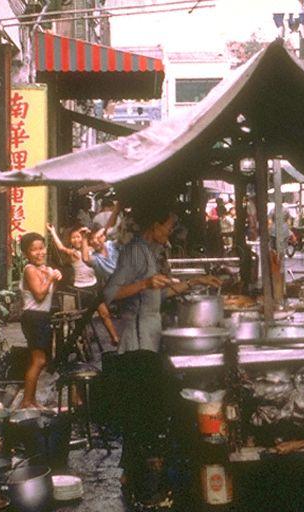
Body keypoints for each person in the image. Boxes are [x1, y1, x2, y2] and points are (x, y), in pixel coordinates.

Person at [102, 204, 221, 506]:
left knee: (147, 413)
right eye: (168, 225)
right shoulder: (133, 251)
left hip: (151, 339)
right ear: (154, 225)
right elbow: (110, 293)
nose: (170, 231)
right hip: (136, 343)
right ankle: (139, 484)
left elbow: (161, 293)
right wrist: (144, 283)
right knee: (141, 414)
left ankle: (136, 477)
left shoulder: (150, 252)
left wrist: (195, 282)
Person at [47, 223, 119, 345]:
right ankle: (77, 341)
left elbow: (100, 239)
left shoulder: (91, 250)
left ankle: (115, 338)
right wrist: (53, 231)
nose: (76, 239)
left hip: (94, 287)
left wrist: (89, 233)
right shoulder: (73, 253)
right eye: (73, 237)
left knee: (105, 314)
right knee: (84, 319)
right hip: (81, 290)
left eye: (79, 236)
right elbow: (60, 247)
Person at [18, 232, 63, 409]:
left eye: (41, 248)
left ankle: (31, 400)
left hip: (41, 316)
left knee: (40, 360)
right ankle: (27, 401)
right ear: (26, 254)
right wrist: (50, 277)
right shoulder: (29, 269)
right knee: (38, 361)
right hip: (33, 316)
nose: (39, 252)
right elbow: (39, 295)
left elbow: (49, 294)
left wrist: (54, 277)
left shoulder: (44, 269)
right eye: (33, 250)